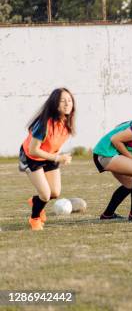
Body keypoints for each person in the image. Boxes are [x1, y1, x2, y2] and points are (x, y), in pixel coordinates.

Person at [19, 88, 75, 231]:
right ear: (55, 104)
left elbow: (55, 142)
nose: (67, 103)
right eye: (63, 100)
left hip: (49, 156)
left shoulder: (67, 123)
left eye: (69, 100)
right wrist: (58, 158)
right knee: (45, 193)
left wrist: (60, 156)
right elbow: (33, 150)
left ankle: (35, 201)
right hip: (31, 157)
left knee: (55, 193)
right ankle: (35, 218)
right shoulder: (44, 124)